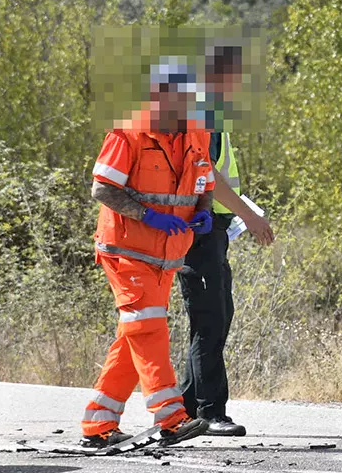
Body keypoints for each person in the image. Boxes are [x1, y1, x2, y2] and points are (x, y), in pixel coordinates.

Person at [80, 58, 213, 449]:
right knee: (149, 326)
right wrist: (147, 215)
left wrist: (203, 212)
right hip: (125, 251)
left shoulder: (197, 132)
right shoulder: (127, 133)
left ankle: (98, 422)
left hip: (168, 254)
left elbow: (203, 181)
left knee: (135, 332)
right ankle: (171, 417)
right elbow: (102, 188)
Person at [177, 44, 276, 437]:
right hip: (197, 231)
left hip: (212, 229)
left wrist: (240, 215)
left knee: (217, 316)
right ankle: (210, 412)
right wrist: (250, 216)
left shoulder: (213, 114)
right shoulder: (201, 112)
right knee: (210, 319)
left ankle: (186, 407)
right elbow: (209, 176)